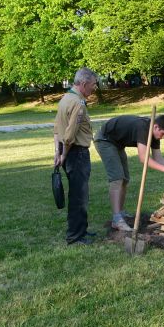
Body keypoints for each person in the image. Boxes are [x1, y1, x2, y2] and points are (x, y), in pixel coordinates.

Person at [94, 114, 164, 231]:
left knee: (125, 179)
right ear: (156, 127)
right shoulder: (143, 128)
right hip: (105, 139)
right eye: (163, 134)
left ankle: (120, 212)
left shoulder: (154, 135)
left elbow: (158, 158)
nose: (163, 137)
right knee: (117, 178)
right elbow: (144, 158)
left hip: (117, 143)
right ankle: (117, 220)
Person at [53, 67, 98, 245]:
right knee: (79, 196)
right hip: (76, 153)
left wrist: (58, 152)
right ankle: (75, 236)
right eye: (94, 85)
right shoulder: (78, 104)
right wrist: (64, 154)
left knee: (78, 194)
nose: (95, 88)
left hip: (68, 152)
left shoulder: (65, 99)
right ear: (84, 83)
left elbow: (57, 129)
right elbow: (70, 134)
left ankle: (81, 230)